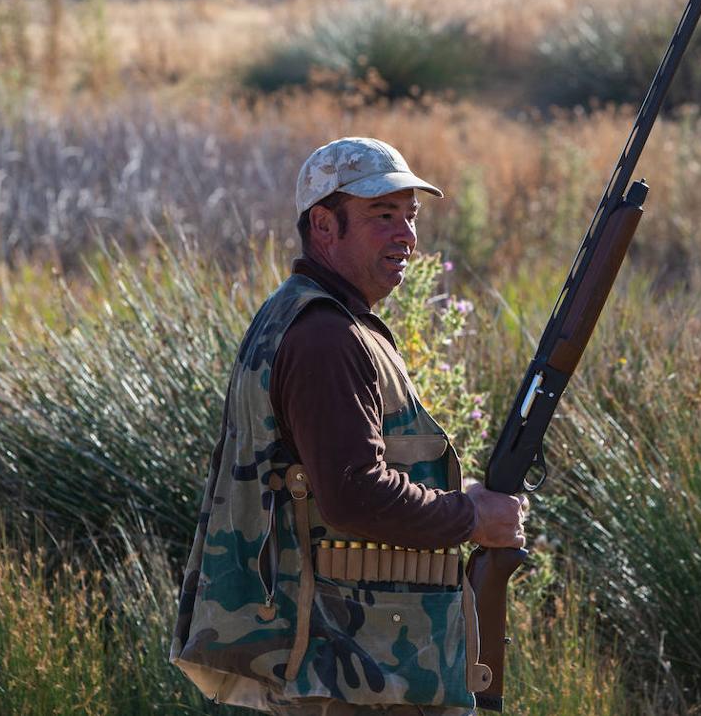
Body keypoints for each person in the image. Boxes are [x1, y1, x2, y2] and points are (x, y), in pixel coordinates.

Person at [170, 137, 526, 716]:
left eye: (410, 217)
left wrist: (459, 502)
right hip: (344, 676)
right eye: (382, 216)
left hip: (349, 666)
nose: (406, 236)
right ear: (323, 225)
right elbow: (354, 494)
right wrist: (472, 516)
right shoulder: (325, 337)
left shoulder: (317, 318)